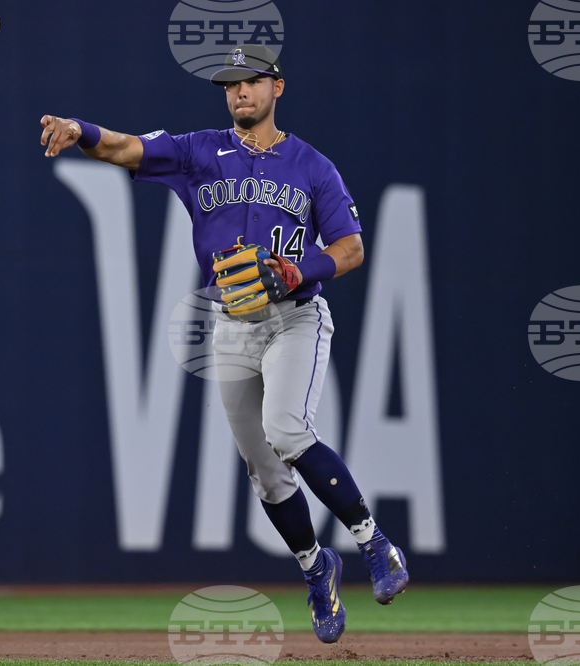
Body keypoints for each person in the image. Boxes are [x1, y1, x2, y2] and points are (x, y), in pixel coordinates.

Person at [38, 44, 408, 644]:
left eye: (252, 81)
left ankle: (375, 544)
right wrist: (79, 129)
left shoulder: (313, 166)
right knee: (264, 473)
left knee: (287, 431)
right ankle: (318, 569)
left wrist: (298, 271)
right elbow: (121, 147)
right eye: (230, 83)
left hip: (295, 316)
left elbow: (351, 249)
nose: (240, 92)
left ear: (277, 88)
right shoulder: (196, 152)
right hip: (232, 324)